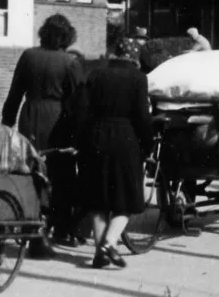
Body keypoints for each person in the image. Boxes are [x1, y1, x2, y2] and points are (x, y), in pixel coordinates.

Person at [1, 14, 86, 256]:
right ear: (67, 37)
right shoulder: (70, 62)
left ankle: (33, 225)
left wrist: (7, 124)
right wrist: (79, 135)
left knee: (32, 173)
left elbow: (14, 93)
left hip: (30, 116)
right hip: (58, 120)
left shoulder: (28, 56)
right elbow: (79, 102)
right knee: (62, 175)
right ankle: (60, 229)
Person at [77, 37, 153, 269]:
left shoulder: (95, 74)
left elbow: (83, 110)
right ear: (135, 58)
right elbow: (142, 116)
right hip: (125, 140)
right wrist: (147, 146)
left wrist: (82, 141)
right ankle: (110, 243)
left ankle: (100, 254)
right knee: (126, 200)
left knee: (98, 200)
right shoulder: (138, 78)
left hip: (95, 138)